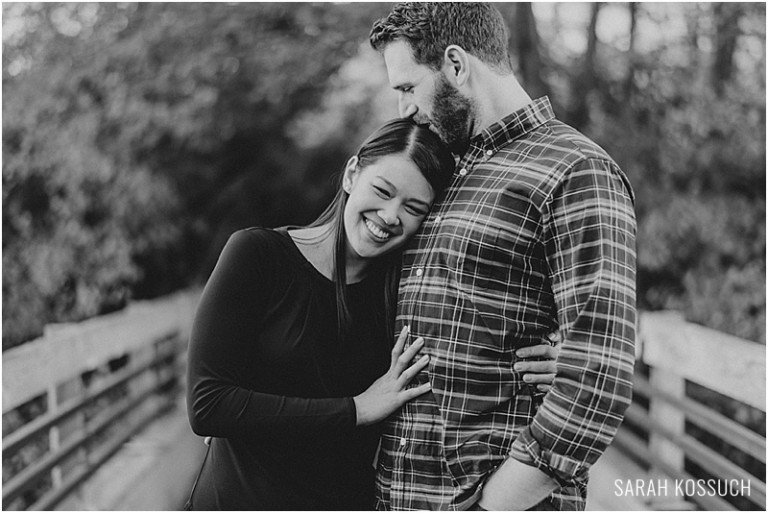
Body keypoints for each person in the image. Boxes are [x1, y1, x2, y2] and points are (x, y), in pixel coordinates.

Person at [185, 118, 558, 510]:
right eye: (383, 190)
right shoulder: (257, 256)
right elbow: (208, 405)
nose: (390, 215)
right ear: (351, 175)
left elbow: (480, 346)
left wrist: (554, 360)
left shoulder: (405, 299)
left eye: (413, 208)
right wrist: (357, 409)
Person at [369, 3, 637, 511]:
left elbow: (597, 379)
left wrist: (496, 504)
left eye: (408, 87)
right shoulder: (436, 172)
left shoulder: (576, 172)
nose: (403, 109)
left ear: (455, 65)